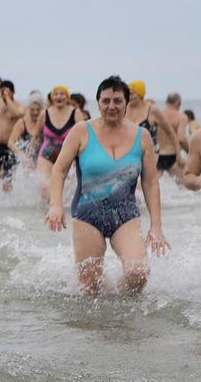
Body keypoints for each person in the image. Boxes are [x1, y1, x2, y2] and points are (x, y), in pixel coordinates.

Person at [45, 75, 169, 294]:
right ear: (98, 103)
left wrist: (156, 226)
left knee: (138, 274)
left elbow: (150, 182)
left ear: (127, 103)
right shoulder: (81, 131)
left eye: (117, 101)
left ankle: (120, 315)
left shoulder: (142, 136)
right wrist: (55, 204)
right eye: (106, 101)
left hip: (126, 215)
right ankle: (100, 325)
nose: (111, 106)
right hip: (87, 215)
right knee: (90, 288)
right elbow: (59, 170)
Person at [124, 80, 180, 175]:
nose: (128, 96)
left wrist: (178, 155)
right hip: (129, 152)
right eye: (127, 94)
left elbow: (170, 132)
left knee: (145, 183)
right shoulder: (124, 108)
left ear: (140, 94)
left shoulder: (152, 110)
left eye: (132, 94)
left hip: (150, 153)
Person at [35, 85, 79, 199]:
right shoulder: (44, 114)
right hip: (48, 151)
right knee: (44, 188)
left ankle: (66, 212)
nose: (59, 96)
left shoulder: (75, 113)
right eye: (56, 94)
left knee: (69, 188)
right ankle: (44, 214)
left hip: (68, 153)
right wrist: (30, 154)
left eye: (62, 94)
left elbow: (84, 135)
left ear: (67, 97)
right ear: (52, 97)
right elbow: (35, 137)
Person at [8, 90, 45, 167]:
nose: (35, 112)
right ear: (28, 108)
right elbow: (11, 142)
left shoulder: (47, 122)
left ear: (42, 109)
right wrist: (22, 156)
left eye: (38, 110)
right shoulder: (22, 122)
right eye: (32, 110)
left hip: (43, 157)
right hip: (25, 157)